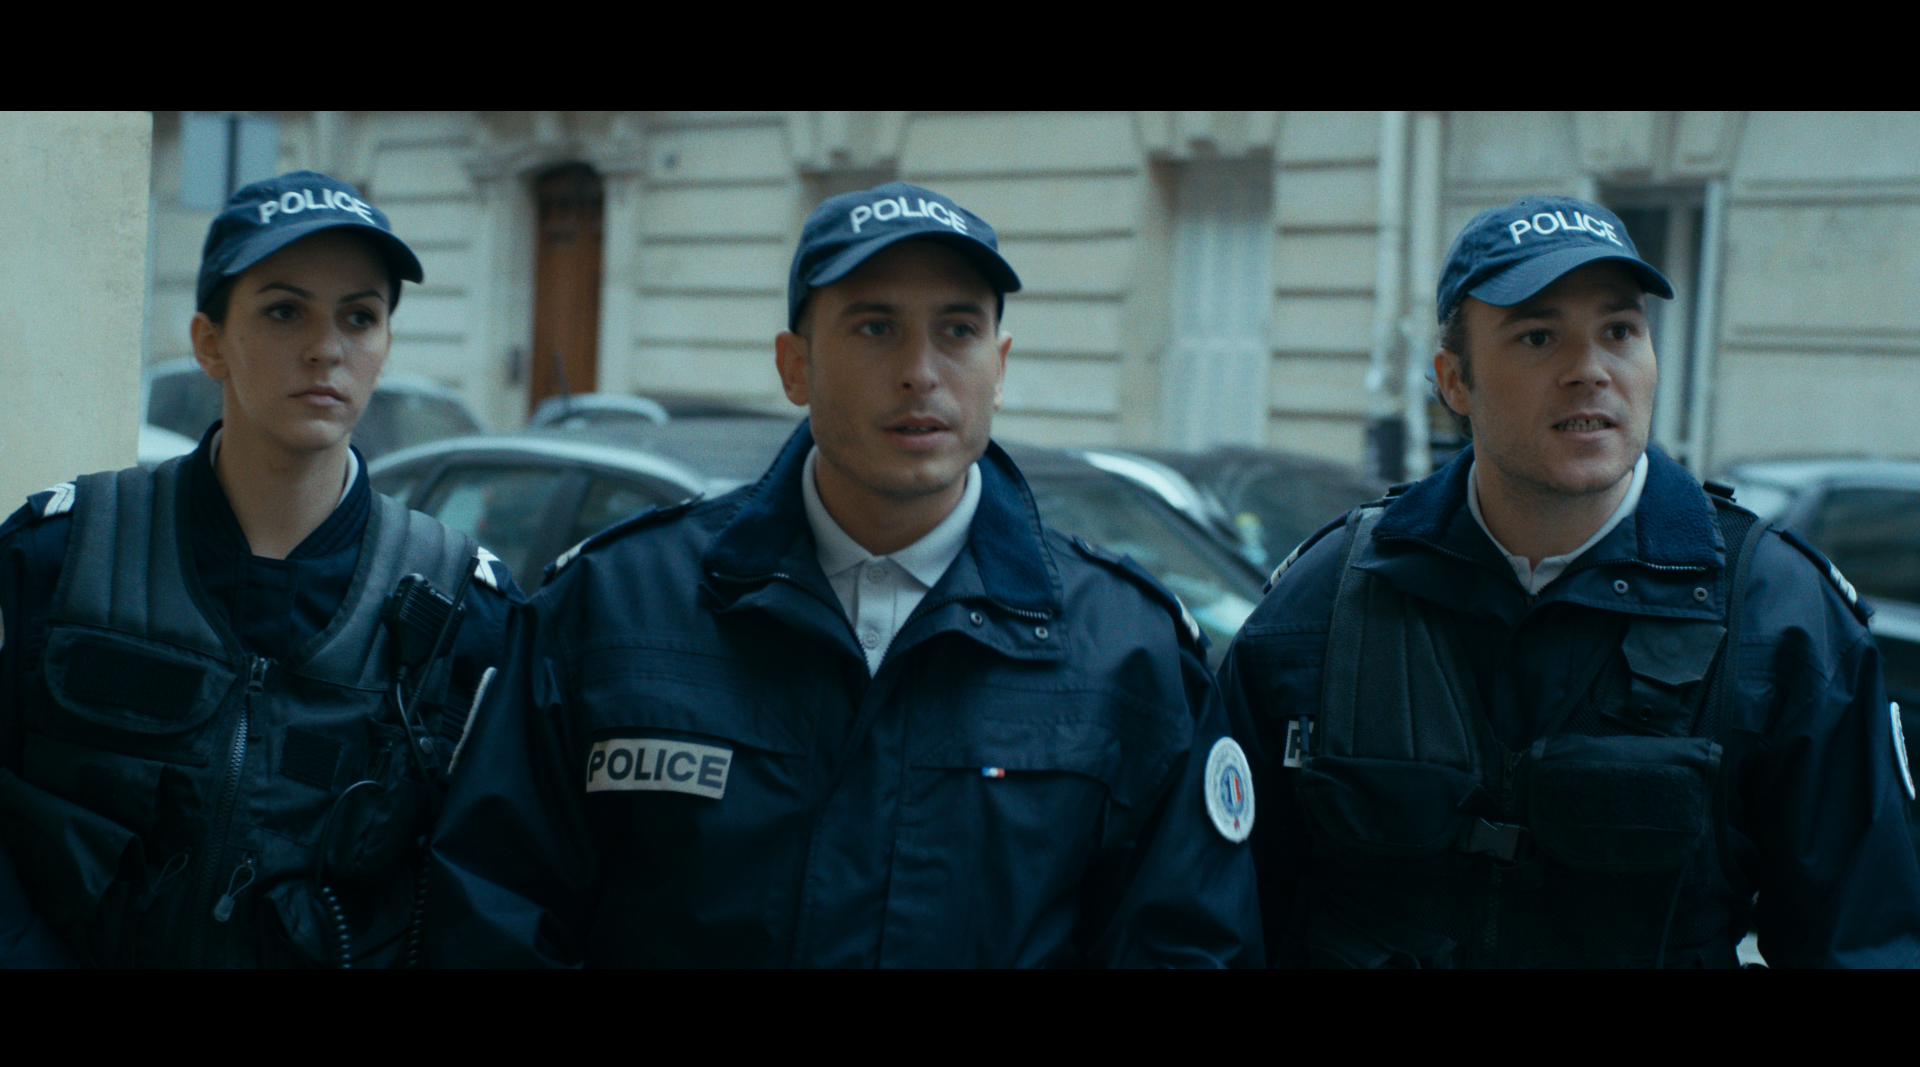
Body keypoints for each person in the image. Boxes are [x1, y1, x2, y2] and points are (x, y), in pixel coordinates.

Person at [429, 181, 1262, 967]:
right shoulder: (614, 608)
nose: (921, 371)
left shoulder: (1127, 655)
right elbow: (492, 910)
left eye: (958, 330)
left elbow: (1186, 942)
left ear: (1000, 365)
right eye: (875, 328)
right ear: (795, 365)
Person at [1221, 194, 1920, 968]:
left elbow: (1862, 941)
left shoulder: (1780, 621)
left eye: (1619, 331)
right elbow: (1222, 916)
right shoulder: (1324, 605)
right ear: (1455, 382)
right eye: (1539, 336)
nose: (1590, 371)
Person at [0, 170, 518, 967]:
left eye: (360, 317)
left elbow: (492, 889)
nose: (326, 349)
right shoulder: (60, 555)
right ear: (210, 342)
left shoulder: (463, 610)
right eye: (284, 311)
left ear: (385, 348)